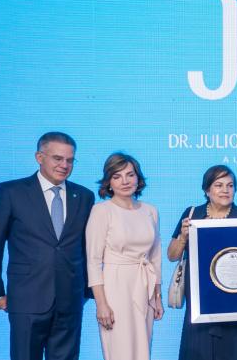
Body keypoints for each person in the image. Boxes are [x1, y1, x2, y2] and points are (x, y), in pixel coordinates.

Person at [0, 132, 96, 360]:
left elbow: (86, 246)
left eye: (70, 160)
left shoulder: (84, 196)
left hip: (70, 299)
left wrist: (86, 290)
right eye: (57, 158)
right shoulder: (11, 192)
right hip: (26, 298)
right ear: (39, 157)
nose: (64, 165)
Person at [167, 165, 237, 360]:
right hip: (201, 302)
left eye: (230, 185)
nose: (225, 190)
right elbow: (172, 255)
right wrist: (183, 237)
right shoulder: (193, 214)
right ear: (207, 190)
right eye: (218, 185)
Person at [85, 153, 163, 360]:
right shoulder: (101, 211)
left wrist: (157, 296)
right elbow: (93, 261)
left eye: (130, 175)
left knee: (143, 348)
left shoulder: (150, 211)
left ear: (138, 178)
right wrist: (101, 304)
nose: (125, 181)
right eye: (117, 176)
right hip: (115, 287)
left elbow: (155, 256)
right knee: (120, 350)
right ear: (109, 182)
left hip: (145, 286)